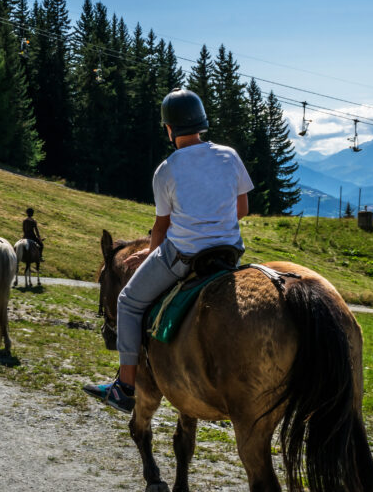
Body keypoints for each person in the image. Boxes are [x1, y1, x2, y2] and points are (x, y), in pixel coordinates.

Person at [83, 88, 252, 413]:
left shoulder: (166, 170)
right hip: (230, 253)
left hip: (185, 256)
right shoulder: (229, 155)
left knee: (128, 302)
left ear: (169, 129)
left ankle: (124, 387)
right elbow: (241, 208)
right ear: (202, 123)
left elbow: (160, 227)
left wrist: (151, 253)